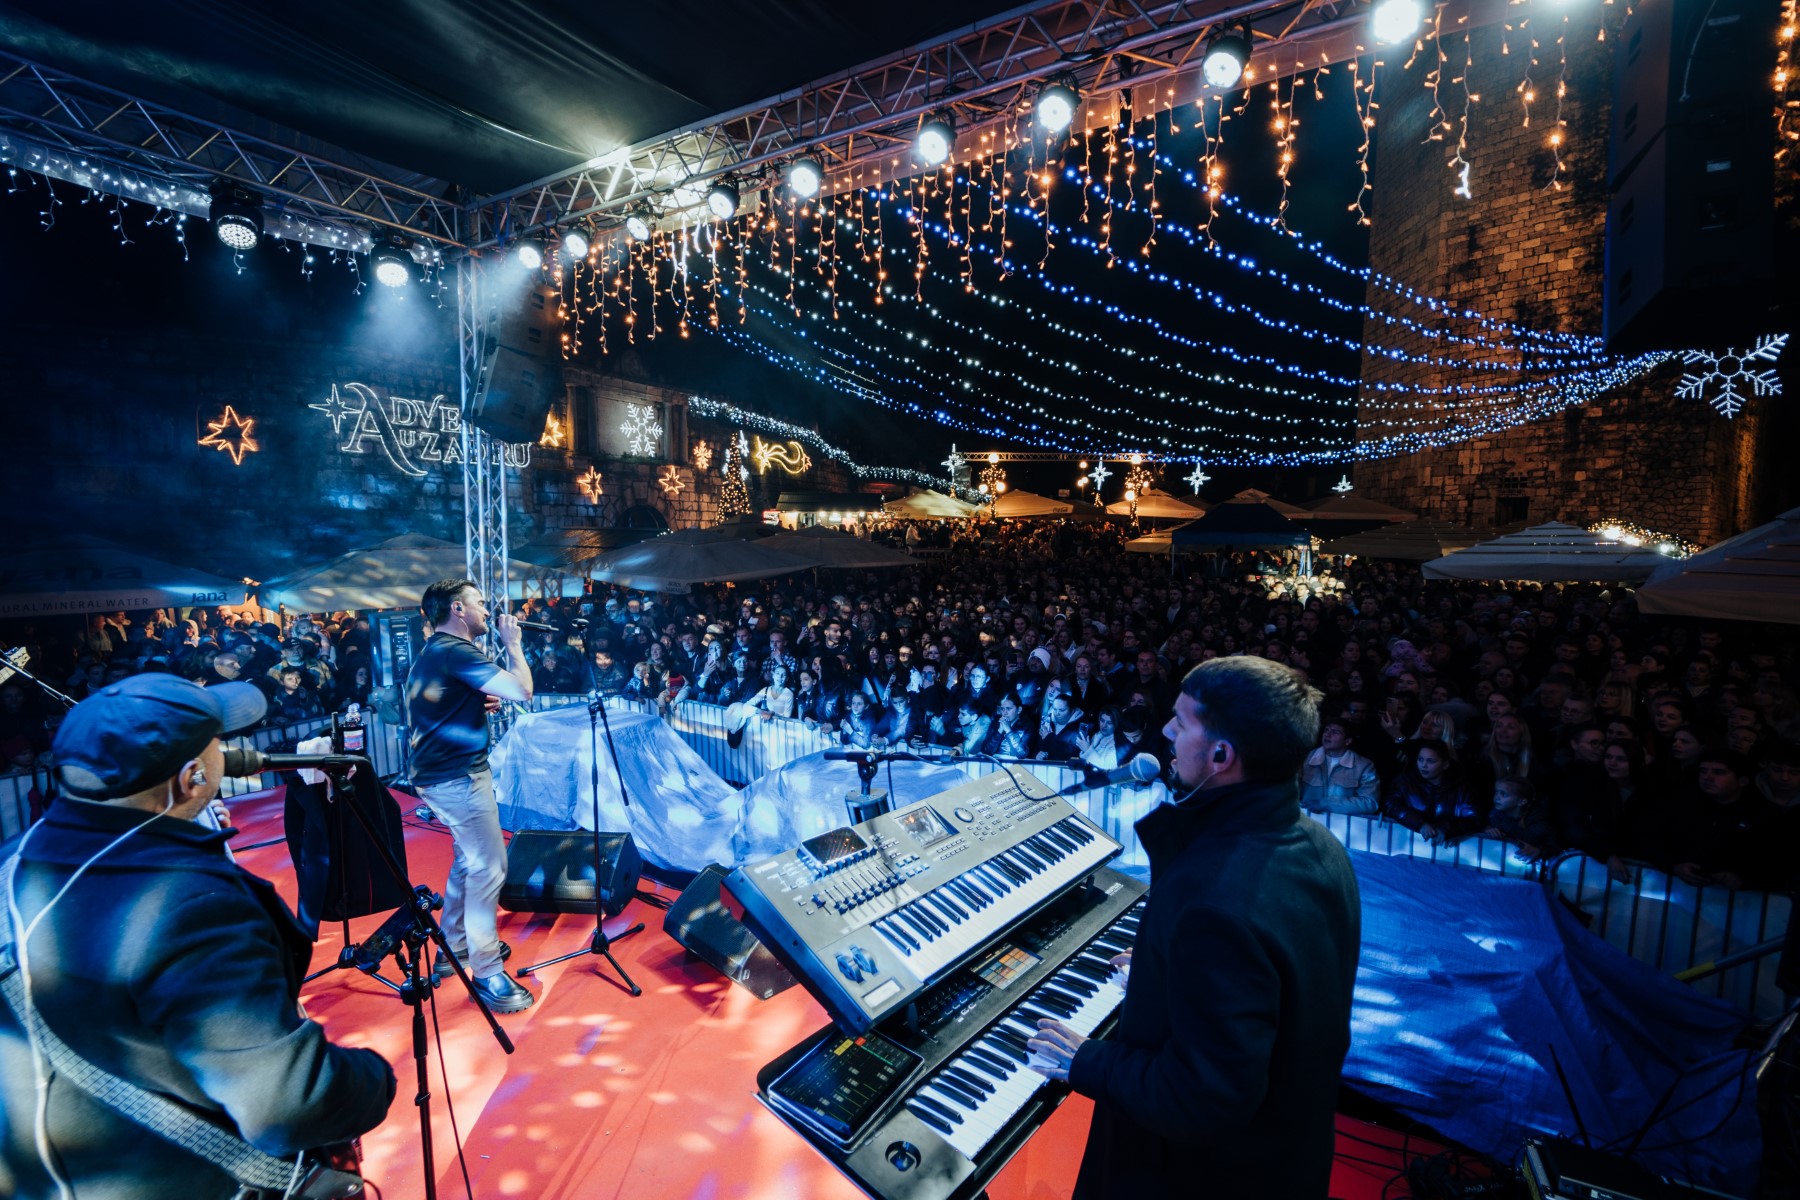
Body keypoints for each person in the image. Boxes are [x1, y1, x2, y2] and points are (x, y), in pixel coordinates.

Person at [0, 673, 395, 1198]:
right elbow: (290, 1102)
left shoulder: (11, 865)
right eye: (216, 741)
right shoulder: (190, 903)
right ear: (193, 777)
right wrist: (373, 1078)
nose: (227, 750)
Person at [1026, 656, 1360, 1199]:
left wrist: (1090, 1062)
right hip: (1287, 1157)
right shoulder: (1319, 846)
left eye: (1180, 723)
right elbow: (1273, 988)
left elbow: (1203, 1099)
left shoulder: (1214, 898)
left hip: (1199, 1179)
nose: (1165, 731)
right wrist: (1166, 976)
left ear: (1221, 756)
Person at [405, 579, 536, 1013]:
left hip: (440, 774)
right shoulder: (456, 650)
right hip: (457, 777)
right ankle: (486, 972)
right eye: (479, 602)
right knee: (489, 868)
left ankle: (454, 948)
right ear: (457, 609)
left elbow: (434, 704)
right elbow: (522, 691)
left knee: (468, 862)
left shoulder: (436, 651)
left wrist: (471, 704)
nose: (486, 609)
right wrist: (513, 645)